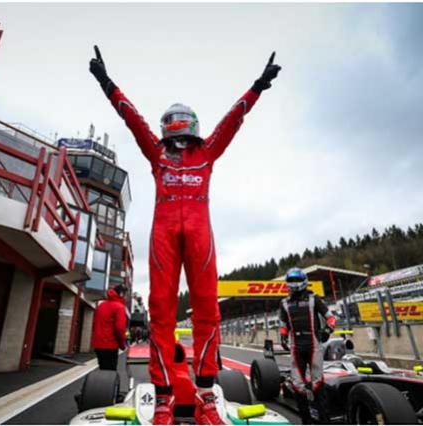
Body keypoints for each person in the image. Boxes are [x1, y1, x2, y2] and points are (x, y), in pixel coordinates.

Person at [90, 45, 281, 424]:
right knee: (161, 312)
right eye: (171, 122)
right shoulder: (156, 153)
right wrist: (106, 82)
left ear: (189, 124)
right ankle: (163, 396)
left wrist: (257, 87)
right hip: (163, 236)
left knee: (207, 309)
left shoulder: (208, 152)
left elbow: (232, 121)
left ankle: (206, 391)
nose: (175, 128)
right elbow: (133, 120)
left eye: (180, 121)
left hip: (199, 236)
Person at [279, 268, 336, 424]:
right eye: (290, 280)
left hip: (314, 345)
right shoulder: (284, 303)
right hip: (296, 346)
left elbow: (330, 317)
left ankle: (325, 421)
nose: (293, 283)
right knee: (297, 384)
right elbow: (283, 324)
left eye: (296, 280)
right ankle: (306, 421)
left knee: (317, 382)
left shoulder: (314, 299)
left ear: (303, 281)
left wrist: (328, 329)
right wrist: (283, 335)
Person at [91, 284, 128, 371]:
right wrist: (122, 345)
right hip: (110, 345)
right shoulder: (119, 307)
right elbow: (120, 328)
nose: (126, 297)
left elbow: (94, 324)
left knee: (102, 369)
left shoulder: (101, 305)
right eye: (125, 294)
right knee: (110, 372)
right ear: (121, 294)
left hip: (98, 345)